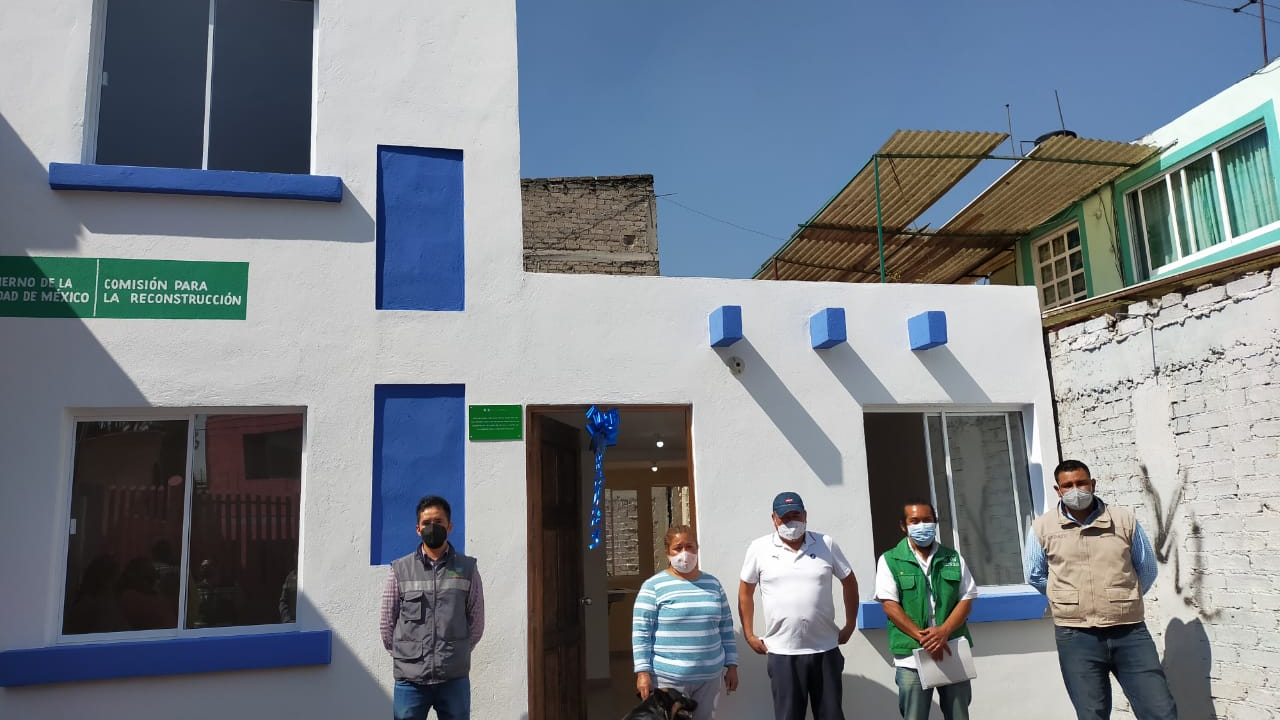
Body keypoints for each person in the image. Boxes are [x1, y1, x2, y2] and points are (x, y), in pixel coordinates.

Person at [1024, 460, 1177, 720]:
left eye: (1081, 483)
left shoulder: (1123, 521)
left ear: (1093, 484)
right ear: (1058, 490)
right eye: (1068, 485)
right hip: (1076, 635)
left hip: (1129, 632)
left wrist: (1121, 599)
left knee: (1160, 711)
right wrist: (1068, 600)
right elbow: (1035, 575)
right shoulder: (1043, 528)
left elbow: (1147, 569)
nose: (1076, 490)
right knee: (1091, 714)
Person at [738, 491, 859, 720]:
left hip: (825, 649)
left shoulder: (826, 544)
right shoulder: (759, 548)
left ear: (805, 515)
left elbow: (849, 582)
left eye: (796, 515)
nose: (791, 522)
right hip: (783, 653)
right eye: (784, 517)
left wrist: (850, 624)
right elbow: (745, 592)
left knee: (831, 715)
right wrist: (749, 634)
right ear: (774, 518)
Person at [380, 495, 485, 720]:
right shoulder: (400, 569)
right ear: (418, 529)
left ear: (450, 526)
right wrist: (406, 657)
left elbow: (476, 622)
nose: (432, 527)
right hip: (411, 681)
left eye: (438, 522)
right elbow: (387, 623)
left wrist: (455, 652)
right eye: (426, 523)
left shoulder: (467, 568)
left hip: (453, 678)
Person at [875, 498, 977, 720]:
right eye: (915, 521)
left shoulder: (952, 558)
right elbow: (890, 605)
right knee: (914, 715)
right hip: (911, 657)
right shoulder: (890, 560)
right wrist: (926, 638)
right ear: (903, 526)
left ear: (935, 522)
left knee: (958, 714)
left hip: (951, 650)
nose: (922, 525)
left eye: (927, 520)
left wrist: (943, 632)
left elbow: (967, 598)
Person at [633, 524, 739, 720]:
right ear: (668, 552)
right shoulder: (653, 586)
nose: (685, 553)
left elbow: (725, 626)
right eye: (678, 548)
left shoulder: (713, 584)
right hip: (669, 681)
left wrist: (732, 665)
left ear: (697, 548)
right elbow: (641, 632)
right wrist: (642, 673)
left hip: (709, 677)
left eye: (690, 546)